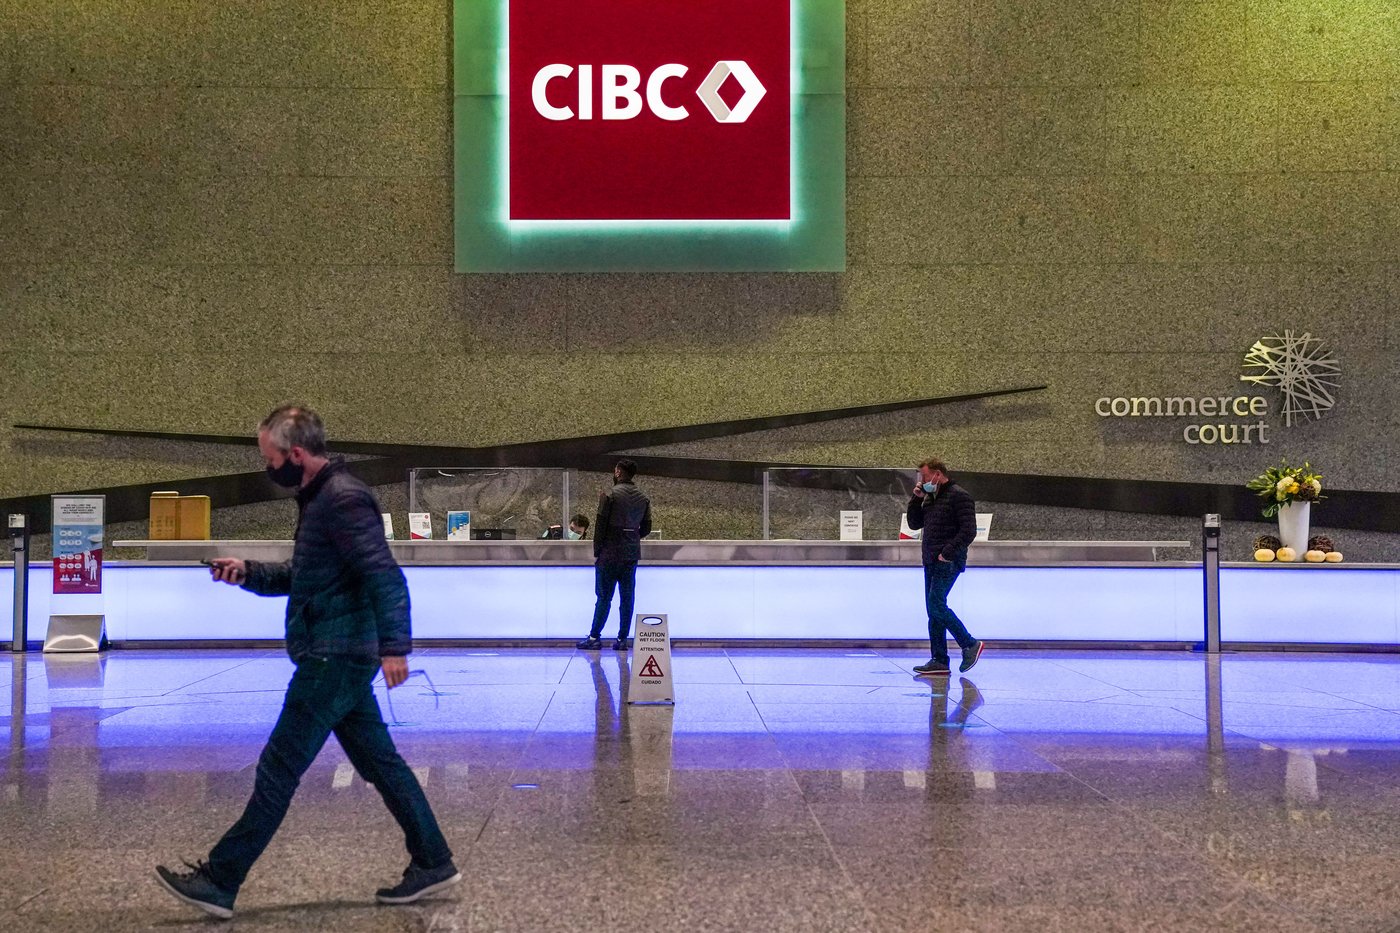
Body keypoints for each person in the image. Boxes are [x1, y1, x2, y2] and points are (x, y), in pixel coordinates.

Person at [154, 405, 458, 920]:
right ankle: (433, 860)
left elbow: (385, 576)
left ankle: (220, 880)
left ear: (295, 454)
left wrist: (395, 647)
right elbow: (306, 574)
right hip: (338, 652)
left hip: (334, 657)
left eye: (268, 458)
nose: (267, 468)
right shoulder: (318, 499)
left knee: (278, 767)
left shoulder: (341, 499)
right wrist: (246, 572)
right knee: (381, 764)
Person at [905, 458, 984, 677]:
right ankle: (939, 659)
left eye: (925, 476)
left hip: (948, 561)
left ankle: (969, 644)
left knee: (936, 604)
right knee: (933, 610)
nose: (922, 481)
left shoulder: (960, 496)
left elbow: (969, 531)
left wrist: (947, 552)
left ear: (938, 474)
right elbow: (914, 523)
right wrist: (916, 498)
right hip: (930, 559)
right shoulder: (931, 497)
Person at [576, 459, 652, 651]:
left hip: (609, 554)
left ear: (618, 472)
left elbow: (600, 526)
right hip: (630, 553)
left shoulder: (609, 495)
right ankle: (622, 640)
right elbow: (647, 527)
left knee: (604, 597)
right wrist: (632, 536)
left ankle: (594, 637)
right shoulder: (643, 498)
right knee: (627, 598)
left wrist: (598, 551)